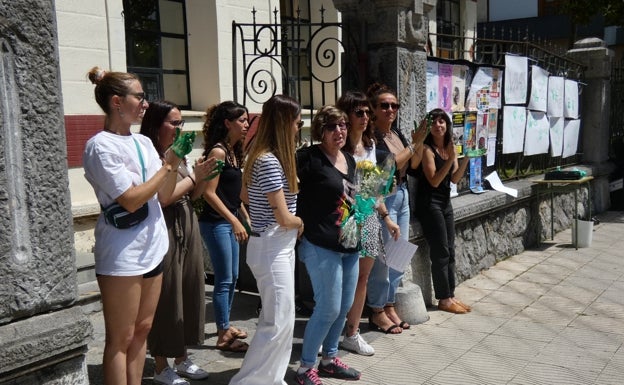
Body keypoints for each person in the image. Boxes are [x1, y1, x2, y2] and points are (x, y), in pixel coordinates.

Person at [83, 67, 182, 385]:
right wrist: (167, 166)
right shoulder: (100, 146)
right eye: (139, 96)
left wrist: (176, 163)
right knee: (120, 338)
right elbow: (130, 199)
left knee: (142, 331)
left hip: (152, 247)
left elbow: (163, 195)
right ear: (116, 101)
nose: (145, 104)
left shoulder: (142, 142)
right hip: (122, 252)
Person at [229, 94, 304, 385]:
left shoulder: (262, 157)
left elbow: (246, 196)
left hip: (274, 244)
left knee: (282, 319)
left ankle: (271, 378)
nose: (298, 128)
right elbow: (285, 217)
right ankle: (250, 381)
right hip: (273, 244)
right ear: (285, 123)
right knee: (277, 320)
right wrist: (300, 222)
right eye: (297, 123)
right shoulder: (269, 161)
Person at [140, 101, 215, 385]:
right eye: (173, 122)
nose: (179, 128)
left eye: (181, 122)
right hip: (165, 227)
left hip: (187, 223)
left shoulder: (178, 155)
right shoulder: (153, 155)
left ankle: (182, 357)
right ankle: (161, 365)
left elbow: (189, 196)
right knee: (168, 295)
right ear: (156, 124)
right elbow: (165, 196)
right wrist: (195, 176)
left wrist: (201, 178)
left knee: (189, 288)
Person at [295, 105, 362, 385]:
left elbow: (355, 198)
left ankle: (329, 359)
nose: (340, 131)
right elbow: (288, 186)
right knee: (328, 308)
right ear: (320, 131)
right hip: (320, 242)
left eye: (343, 125)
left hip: (349, 243)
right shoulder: (308, 158)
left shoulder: (350, 159)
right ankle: (304, 367)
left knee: (344, 306)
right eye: (333, 126)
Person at [336, 91, 400, 355]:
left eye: (366, 112)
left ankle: (352, 332)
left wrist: (386, 217)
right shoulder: (336, 147)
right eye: (358, 112)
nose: (365, 117)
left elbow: (374, 190)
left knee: (362, 278)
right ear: (347, 116)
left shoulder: (372, 147)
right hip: (343, 220)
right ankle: (330, 330)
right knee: (339, 278)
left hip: (370, 218)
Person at [366, 83, 426, 333]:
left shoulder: (396, 133)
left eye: (394, 105)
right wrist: (412, 145)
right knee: (382, 256)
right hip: (384, 199)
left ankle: (390, 304)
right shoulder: (373, 139)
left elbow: (413, 164)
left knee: (399, 254)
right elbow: (387, 165)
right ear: (374, 109)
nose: (391, 109)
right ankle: (377, 309)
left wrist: (418, 143)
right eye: (385, 105)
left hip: (401, 193)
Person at [196, 101, 251, 352]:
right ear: (227, 123)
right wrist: (234, 219)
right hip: (215, 223)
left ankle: (225, 325)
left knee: (234, 276)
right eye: (242, 120)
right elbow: (209, 193)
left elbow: (232, 191)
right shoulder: (218, 152)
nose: (246, 124)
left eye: (247, 120)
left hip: (230, 219)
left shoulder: (234, 150)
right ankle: (222, 334)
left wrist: (244, 213)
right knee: (225, 279)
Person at [416, 108, 472, 314]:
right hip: (430, 204)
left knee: (450, 250)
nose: (438, 125)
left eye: (442, 121)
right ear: (428, 127)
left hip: (445, 202)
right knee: (440, 252)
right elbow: (434, 180)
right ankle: (443, 299)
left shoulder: (449, 147)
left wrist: (466, 157)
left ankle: (450, 294)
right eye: (434, 122)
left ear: (447, 125)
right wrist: (450, 158)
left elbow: (455, 179)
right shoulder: (427, 150)